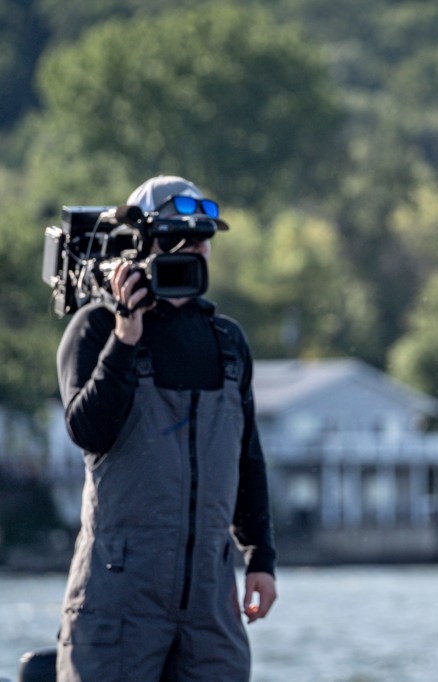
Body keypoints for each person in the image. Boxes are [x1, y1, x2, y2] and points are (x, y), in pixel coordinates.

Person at [55, 175, 277, 681]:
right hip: (118, 595)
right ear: (140, 246)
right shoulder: (95, 329)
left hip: (209, 600)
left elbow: (247, 458)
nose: (193, 250)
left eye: (202, 239)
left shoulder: (227, 342)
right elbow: (89, 432)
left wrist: (260, 559)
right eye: (177, 239)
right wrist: (125, 338)